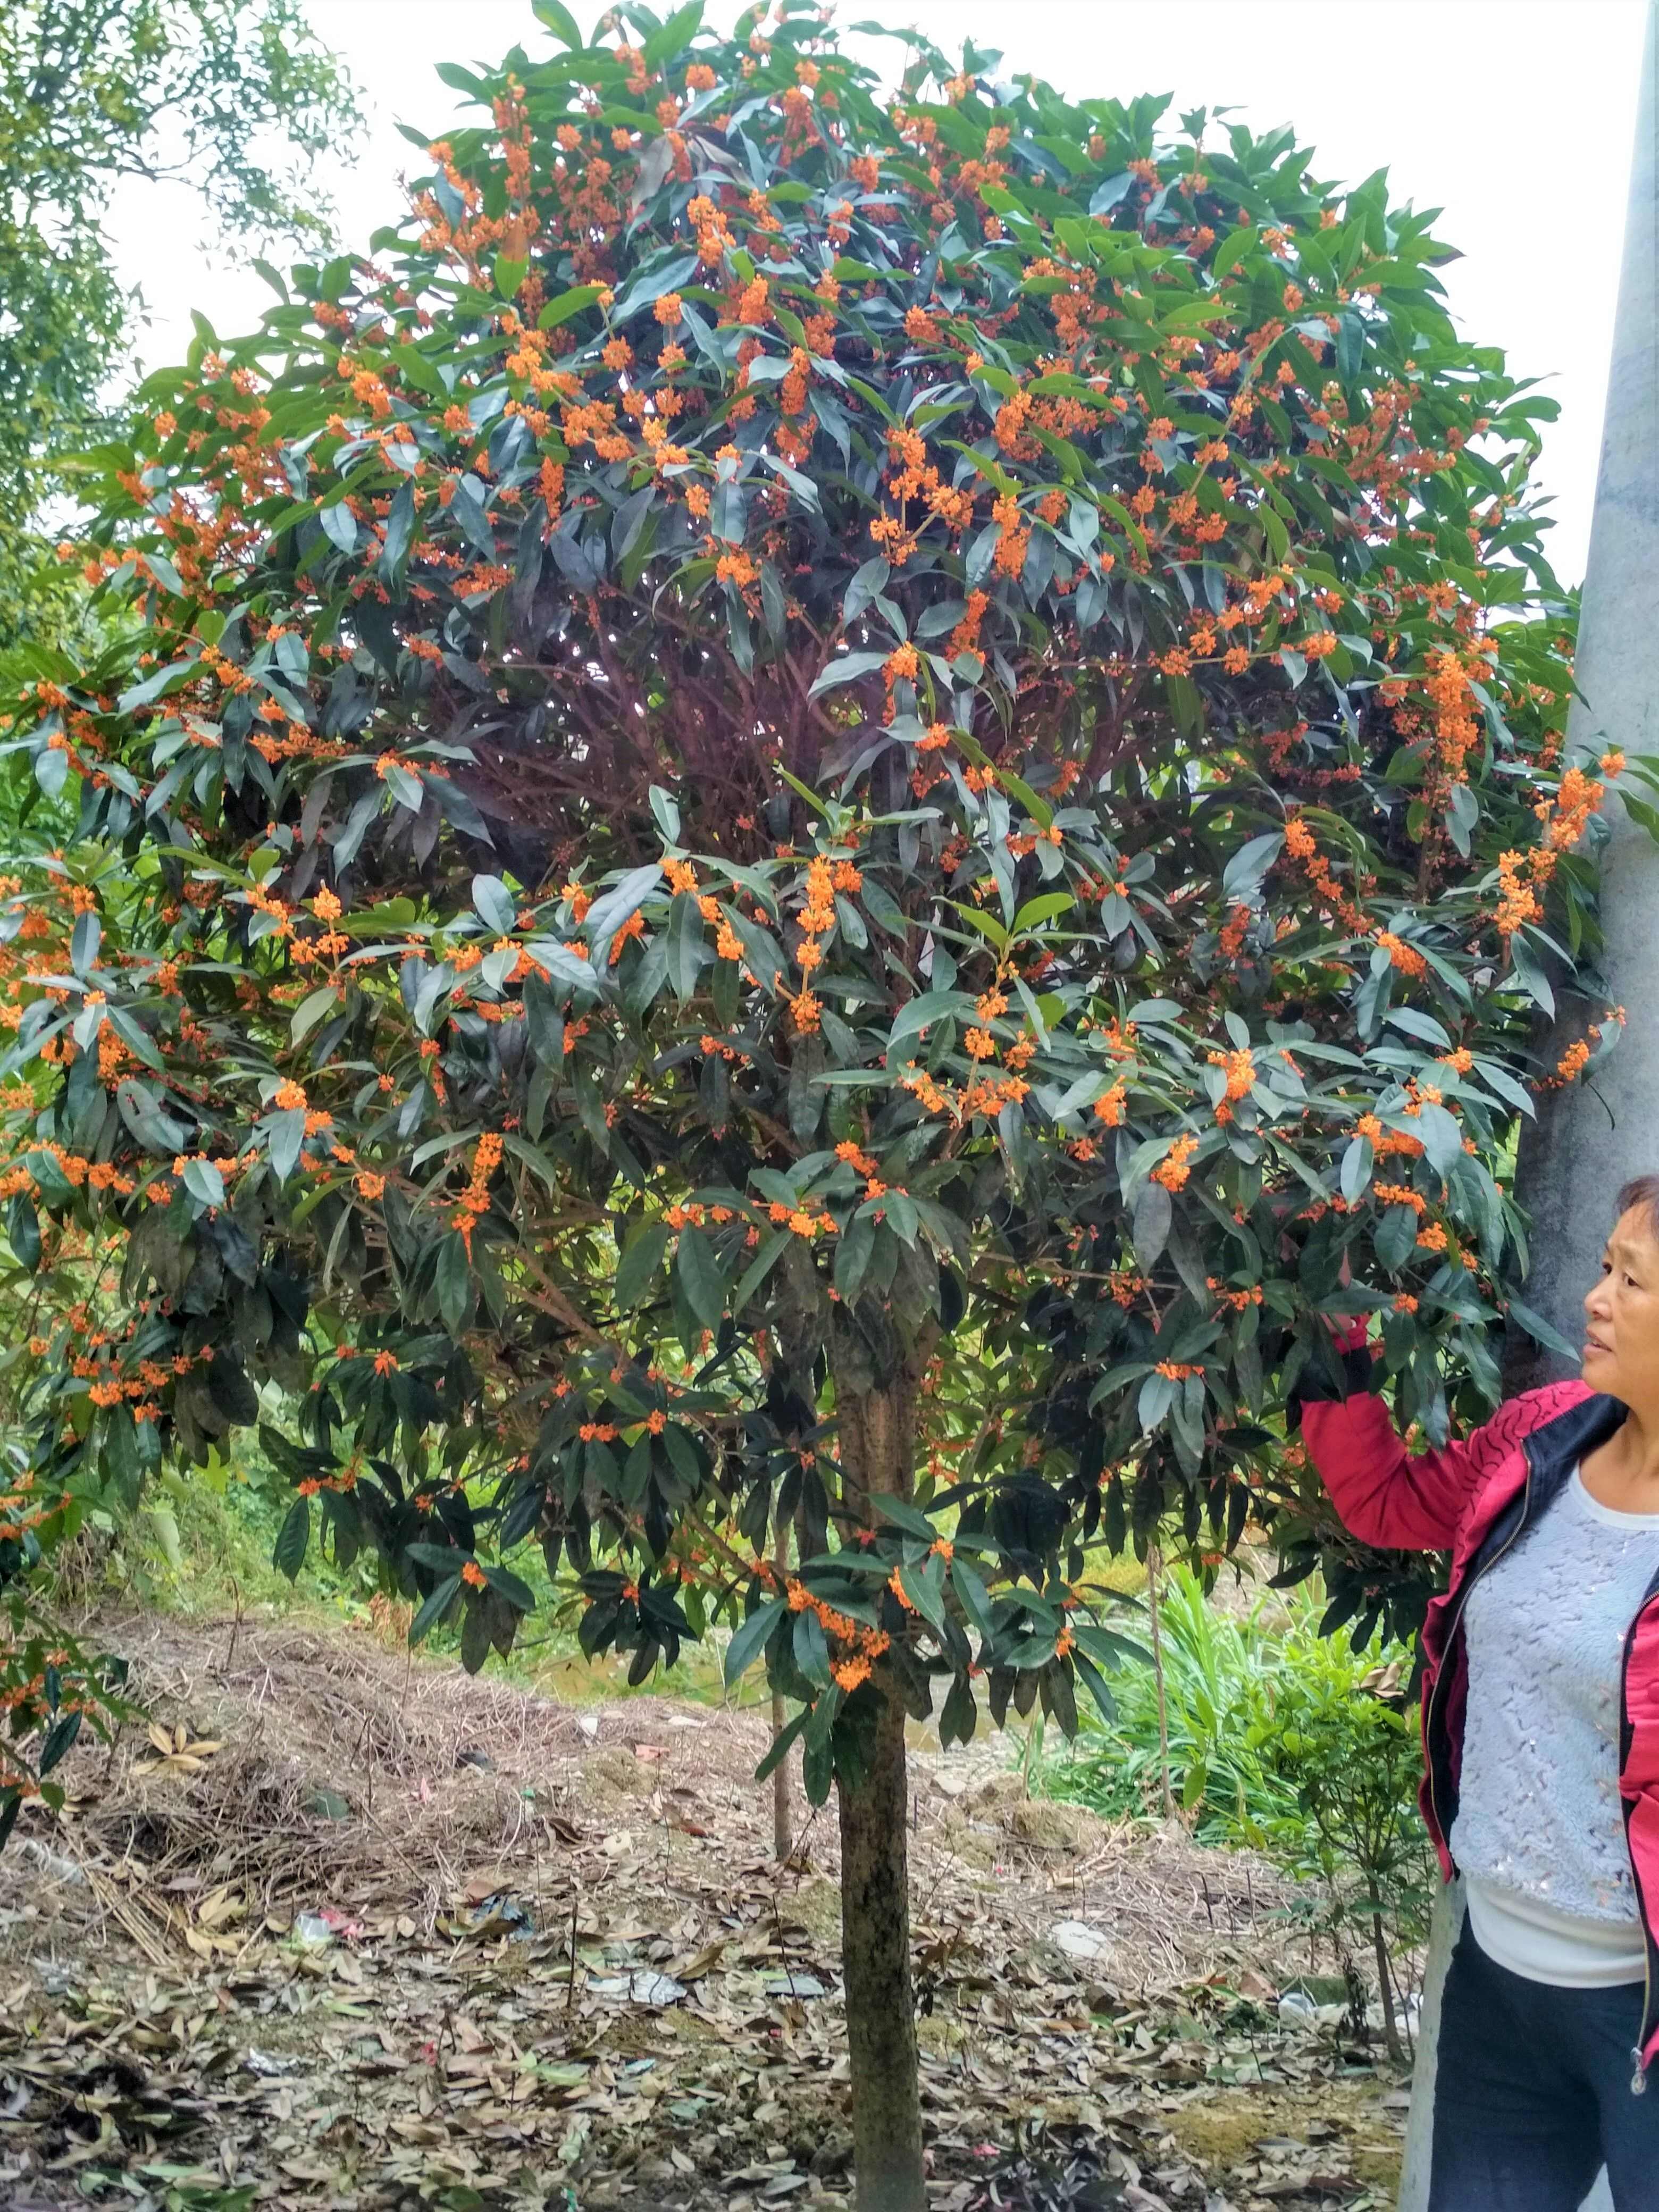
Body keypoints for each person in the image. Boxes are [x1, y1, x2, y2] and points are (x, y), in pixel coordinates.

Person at [1296, 1174, 1659, 2211]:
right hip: (1501, 1977)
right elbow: (1384, 1501)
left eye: (1630, 1281)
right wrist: (1337, 1330)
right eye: (1603, 1269)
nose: (1594, 1300)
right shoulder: (1545, 1435)